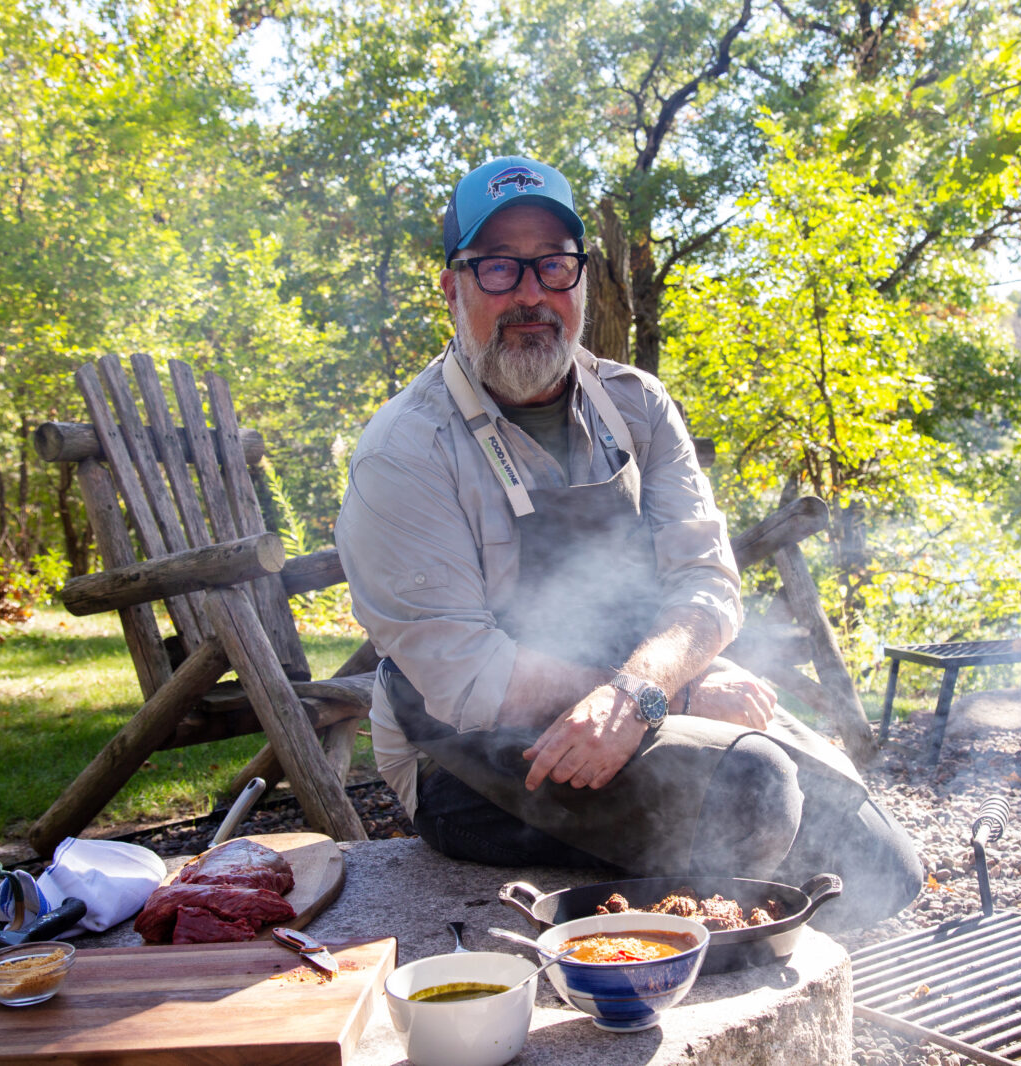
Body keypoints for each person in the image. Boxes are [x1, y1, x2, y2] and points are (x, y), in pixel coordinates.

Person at [336, 155, 921, 925]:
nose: (532, 295)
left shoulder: (636, 408)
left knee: (887, 867)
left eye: (553, 265)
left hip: (628, 700)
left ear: (580, 279)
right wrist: (664, 691)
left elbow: (707, 586)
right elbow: (470, 679)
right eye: (500, 269)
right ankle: (672, 991)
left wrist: (643, 692)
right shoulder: (404, 452)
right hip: (466, 752)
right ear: (453, 287)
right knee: (754, 793)